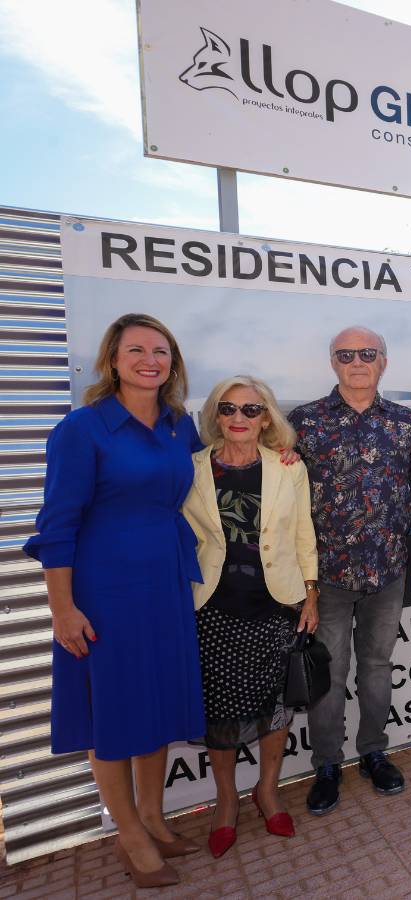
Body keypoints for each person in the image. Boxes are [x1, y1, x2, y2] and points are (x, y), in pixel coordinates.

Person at [25, 313, 204, 887]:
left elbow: (212, 473)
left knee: (152, 705)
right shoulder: (83, 429)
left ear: (172, 363)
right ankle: (127, 831)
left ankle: (153, 815)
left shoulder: (180, 426)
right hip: (106, 590)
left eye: (160, 351)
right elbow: (56, 525)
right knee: (114, 710)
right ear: (112, 360)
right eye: (136, 350)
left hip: (166, 583)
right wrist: (62, 608)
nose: (150, 360)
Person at [289, 326, 411, 815]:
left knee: (377, 669)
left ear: (384, 361)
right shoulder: (303, 423)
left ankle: (375, 751)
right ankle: (327, 765)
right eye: (346, 354)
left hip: (388, 573)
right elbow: (284, 502)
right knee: (329, 677)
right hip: (326, 579)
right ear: (333, 362)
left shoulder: (404, 423)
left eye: (368, 353)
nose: (357, 361)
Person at [183, 376, 319, 857]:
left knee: (275, 707)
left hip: (275, 603)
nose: (239, 417)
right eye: (228, 408)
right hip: (214, 606)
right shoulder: (192, 468)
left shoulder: (288, 468)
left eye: (250, 409)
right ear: (215, 415)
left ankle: (267, 791)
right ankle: (226, 802)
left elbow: (304, 533)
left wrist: (310, 593)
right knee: (220, 712)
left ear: (266, 417)